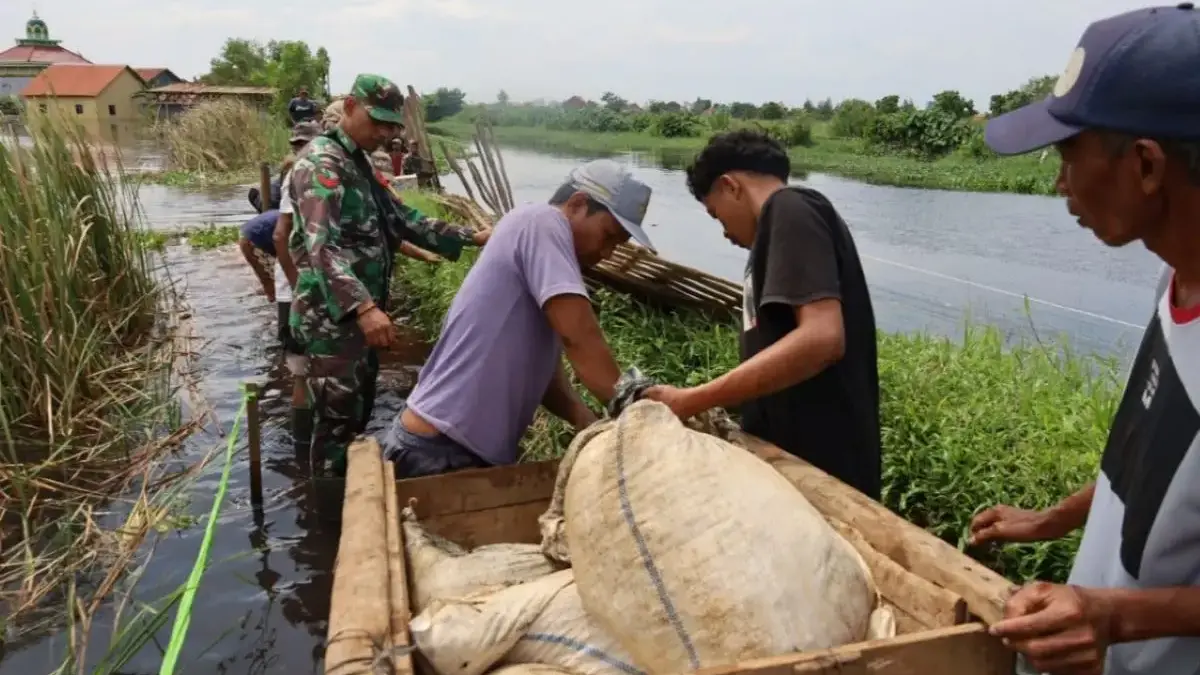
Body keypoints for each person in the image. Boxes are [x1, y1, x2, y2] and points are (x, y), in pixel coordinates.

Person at [968, 6, 1200, 675]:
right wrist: (1052, 519)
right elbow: (1151, 473)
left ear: (1147, 165)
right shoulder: (1174, 280)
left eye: (1069, 154)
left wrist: (1114, 615)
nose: (1059, 182)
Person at [643, 130, 881, 500]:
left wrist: (693, 399)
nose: (723, 230)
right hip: (791, 465)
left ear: (730, 186)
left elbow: (822, 339)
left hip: (823, 472)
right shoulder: (778, 228)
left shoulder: (790, 208)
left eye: (715, 213)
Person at [382, 159, 656, 479]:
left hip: (450, 448)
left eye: (617, 245)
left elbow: (544, 374)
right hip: (440, 451)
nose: (607, 253)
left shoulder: (536, 241)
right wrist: (638, 417)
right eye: (608, 235)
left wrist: (585, 419)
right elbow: (579, 337)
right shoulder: (543, 223)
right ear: (578, 203)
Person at [288, 73, 487, 475]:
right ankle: (329, 518)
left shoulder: (358, 164)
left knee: (357, 413)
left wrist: (471, 236)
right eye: (374, 120)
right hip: (332, 324)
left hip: (357, 326)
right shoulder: (322, 164)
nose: (382, 132)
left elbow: (403, 219)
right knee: (335, 429)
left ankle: (348, 501)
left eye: (389, 125)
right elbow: (320, 246)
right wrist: (364, 307)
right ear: (348, 108)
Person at [238, 208, 281, 302]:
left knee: (277, 278)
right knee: (270, 281)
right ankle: (273, 303)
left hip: (256, 233)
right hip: (253, 240)